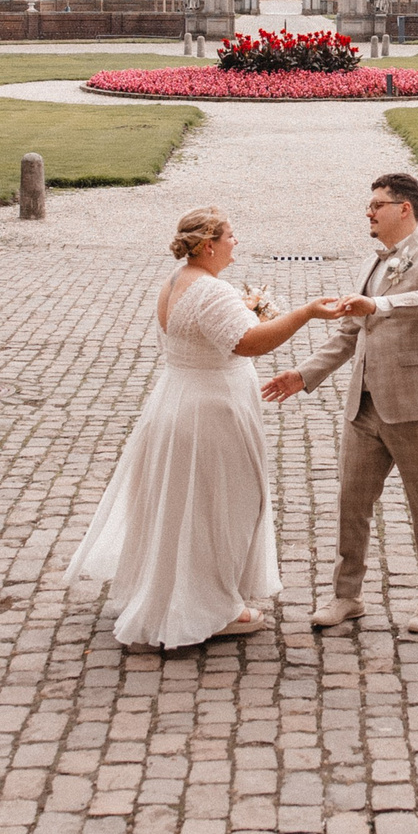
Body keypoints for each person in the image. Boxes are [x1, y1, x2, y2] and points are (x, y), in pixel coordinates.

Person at [68, 207, 347, 649]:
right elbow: (248, 342)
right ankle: (212, 606)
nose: (238, 242)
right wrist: (307, 313)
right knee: (223, 506)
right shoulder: (211, 291)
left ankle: (178, 592)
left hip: (178, 402)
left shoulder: (176, 281)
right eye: (232, 235)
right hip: (209, 414)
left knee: (185, 505)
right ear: (209, 244)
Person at [262, 172, 418, 636]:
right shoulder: (374, 264)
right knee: (351, 503)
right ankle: (346, 596)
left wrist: (379, 308)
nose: (368, 213)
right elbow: (351, 332)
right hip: (365, 406)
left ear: (404, 208)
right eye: (369, 205)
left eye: (377, 204)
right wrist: (304, 374)